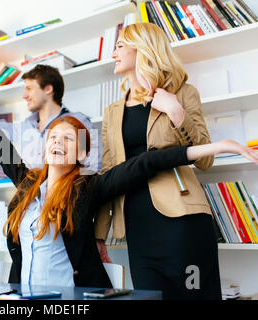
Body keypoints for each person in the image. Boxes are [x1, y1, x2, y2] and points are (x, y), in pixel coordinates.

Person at [0, 104, 258, 288]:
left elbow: (147, 163)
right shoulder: (28, 182)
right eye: (54, 138)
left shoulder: (89, 188)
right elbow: (1, 145)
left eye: (68, 139)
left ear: (83, 153)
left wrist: (217, 147)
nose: (58, 143)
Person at [93, 22, 227, 299]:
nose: (113, 54)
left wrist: (175, 111)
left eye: (119, 46)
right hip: (136, 225)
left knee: (195, 295)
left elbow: (206, 158)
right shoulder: (112, 111)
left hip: (183, 221)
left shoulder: (182, 92)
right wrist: (99, 234)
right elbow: (109, 175)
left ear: (142, 47)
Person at [0, 61, 101, 174]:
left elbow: (93, 166)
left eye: (29, 88)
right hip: (31, 204)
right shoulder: (23, 127)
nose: (24, 95)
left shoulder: (79, 122)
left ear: (48, 89)